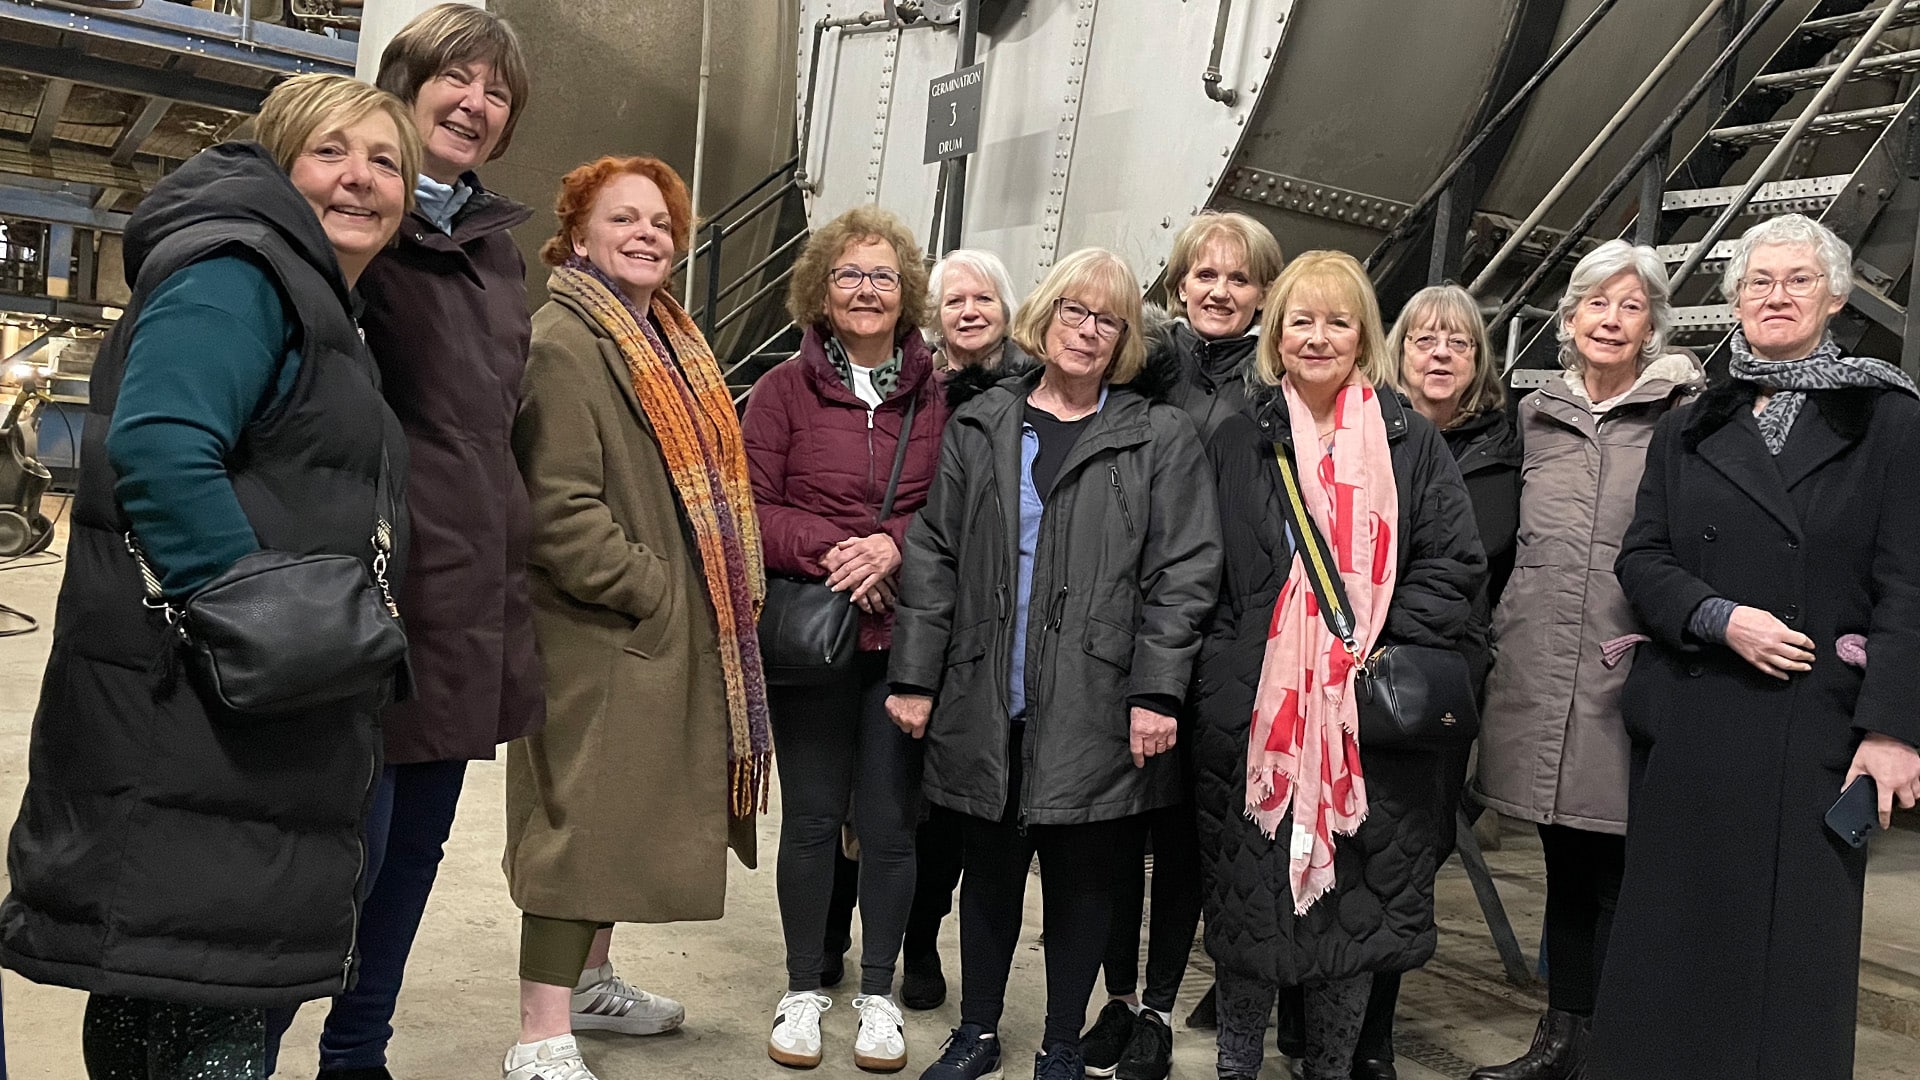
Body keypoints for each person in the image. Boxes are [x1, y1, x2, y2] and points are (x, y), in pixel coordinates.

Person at [0, 74, 419, 1078]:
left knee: (176, 1007)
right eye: (332, 151)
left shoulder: (302, 290)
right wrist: (273, 630)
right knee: (196, 1015)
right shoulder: (240, 271)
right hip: (204, 715)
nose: (361, 179)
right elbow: (160, 449)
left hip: (228, 725)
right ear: (279, 161)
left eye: (387, 162)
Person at [263, 9, 543, 1079]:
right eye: (455, 80)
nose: (475, 103)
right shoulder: (356, 229)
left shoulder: (497, 255)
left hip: (470, 592)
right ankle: (250, 1046)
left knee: (414, 853)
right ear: (406, 83)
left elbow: (496, 425)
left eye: (497, 93)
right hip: (369, 587)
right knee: (341, 855)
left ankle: (356, 1054)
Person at [1591, 214, 1920, 1080]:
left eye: (1797, 280)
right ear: (1733, 299)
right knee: (1675, 952)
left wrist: (1891, 731)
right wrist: (1716, 615)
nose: (1776, 296)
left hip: (1814, 731)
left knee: (1789, 970)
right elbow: (1643, 556)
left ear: (1836, 297)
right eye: (1758, 281)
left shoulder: (1886, 418)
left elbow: (1910, 585)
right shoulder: (1692, 421)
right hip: (1698, 721)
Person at [886, 247, 1221, 1080]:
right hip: (986, 691)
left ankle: (1063, 1046)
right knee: (989, 877)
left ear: (1126, 338)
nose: (1089, 330)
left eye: (1109, 319)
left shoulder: (1159, 435)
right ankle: (979, 1033)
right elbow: (933, 555)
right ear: (1045, 317)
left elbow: (1185, 573)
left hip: (1100, 701)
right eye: (1075, 311)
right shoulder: (983, 423)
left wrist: (1156, 690)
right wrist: (916, 675)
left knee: (1085, 885)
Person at [503, 155, 769, 1080]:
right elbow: (556, 508)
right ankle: (541, 1031)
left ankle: (592, 983)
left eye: (660, 221)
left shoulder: (665, 341)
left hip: (645, 632)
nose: (648, 233)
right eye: (623, 219)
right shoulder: (565, 340)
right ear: (578, 237)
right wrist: (653, 588)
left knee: (615, 814)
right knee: (576, 819)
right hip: (598, 628)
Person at [1194, 250, 1485, 1080]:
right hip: (1261, 717)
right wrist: (1228, 671)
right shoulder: (1239, 438)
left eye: (1338, 320)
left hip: (1364, 720)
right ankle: (1237, 1067)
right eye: (1300, 320)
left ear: (1364, 334)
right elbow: (1201, 569)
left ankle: (1328, 1067)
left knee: (1352, 920)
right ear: (1275, 333)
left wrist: (1370, 656)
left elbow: (1453, 565)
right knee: (1250, 914)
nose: (1317, 338)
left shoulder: (1408, 440)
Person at [1471, 240, 1701, 1080]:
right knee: (1566, 860)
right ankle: (1562, 1038)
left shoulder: (1683, 416)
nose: (1610, 319)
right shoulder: (1533, 416)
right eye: (1595, 303)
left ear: (1652, 327)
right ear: (1567, 320)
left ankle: (1616, 1044)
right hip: (1539, 670)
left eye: (1630, 305)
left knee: (1624, 869)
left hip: (1631, 669)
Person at [742, 205, 948, 1073]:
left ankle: (877, 996)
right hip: (814, 635)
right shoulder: (783, 391)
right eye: (849, 275)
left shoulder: (937, 391)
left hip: (903, 640)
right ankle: (802, 988)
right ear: (821, 292)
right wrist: (833, 549)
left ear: (906, 296)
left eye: (884, 277)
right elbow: (751, 506)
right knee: (814, 819)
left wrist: (891, 545)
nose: (866, 290)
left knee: (892, 825)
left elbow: (952, 503)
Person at [1080, 209, 1283, 1080]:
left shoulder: (1272, 388)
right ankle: (1117, 1000)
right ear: (1178, 283)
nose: (1220, 291)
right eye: (1206, 275)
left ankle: (1160, 1006)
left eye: (1239, 279)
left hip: (1224, 632)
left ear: (1264, 294)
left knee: (1190, 838)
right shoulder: (1147, 369)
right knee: (1119, 830)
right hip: (1128, 624)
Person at [928, 248, 1025, 372]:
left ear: (1005, 309)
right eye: (955, 301)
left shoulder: (1034, 383)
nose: (969, 312)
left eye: (984, 299)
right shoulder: (909, 379)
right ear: (936, 316)